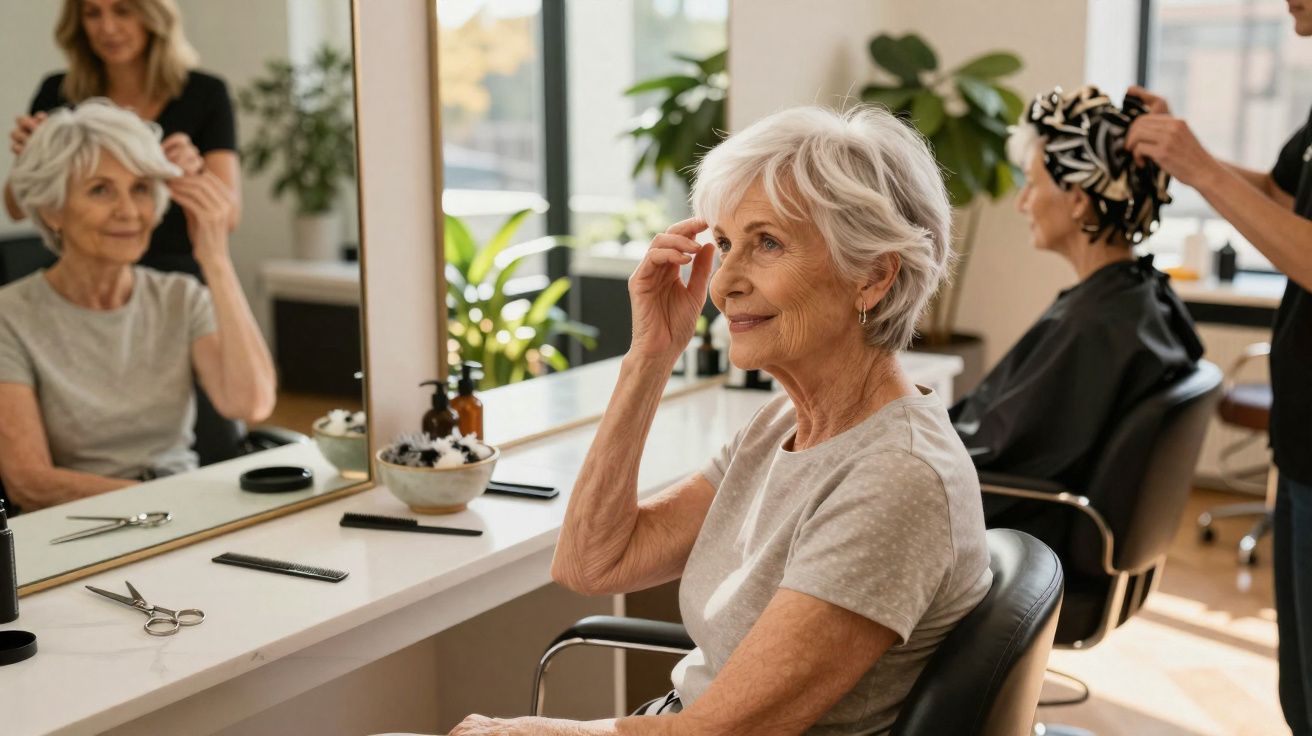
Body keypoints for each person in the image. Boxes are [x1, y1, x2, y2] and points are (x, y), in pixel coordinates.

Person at [450, 106, 992, 735]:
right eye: (726, 243)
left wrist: (522, 733)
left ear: (872, 274)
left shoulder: (895, 477)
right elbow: (592, 563)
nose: (724, 282)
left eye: (767, 243)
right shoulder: (780, 424)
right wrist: (650, 354)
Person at [1124, 4, 1312, 731]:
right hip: (1301, 435)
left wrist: (1198, 167)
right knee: (1299, 692)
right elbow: (1283, 197)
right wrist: (1188, 154)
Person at [949, 85, 1204, 540]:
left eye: (1032, 181)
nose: (1023, 201)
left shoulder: (1099, 323)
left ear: (1080, 198)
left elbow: (1005, 456)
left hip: (1029, 537)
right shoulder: (1138, 298)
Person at [0, 100, 274, 511]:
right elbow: (30, 483)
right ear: (52, 208)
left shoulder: (181, 297)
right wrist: (170, 502)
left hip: (184, 515)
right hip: (78, 525)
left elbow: (249, 402)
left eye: (141, 189)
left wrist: (215, 259)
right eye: (100, 189)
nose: (128, 211)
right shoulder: (11, 315)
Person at [4, 0, 240, 278]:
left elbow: (228, 218)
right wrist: (34, 159)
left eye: (122, 11)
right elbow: (14, 208)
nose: (107, 28)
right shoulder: (58, 92)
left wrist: (194, 175)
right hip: (86, 277)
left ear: (153, 16)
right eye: (93, 13)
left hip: (176, 277)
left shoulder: (205, 94)